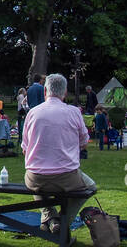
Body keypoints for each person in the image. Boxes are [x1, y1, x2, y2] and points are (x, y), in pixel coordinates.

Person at [20, 74, 92, 234]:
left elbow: (24, 149)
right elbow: (84, 143)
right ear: (65, 92)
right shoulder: (74, 112)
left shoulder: (32, 113)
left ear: (45, 90)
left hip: (36, 176)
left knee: (34, 184)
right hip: (67, 177)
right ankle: (61, 220)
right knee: (90, 187)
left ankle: (50, 218)